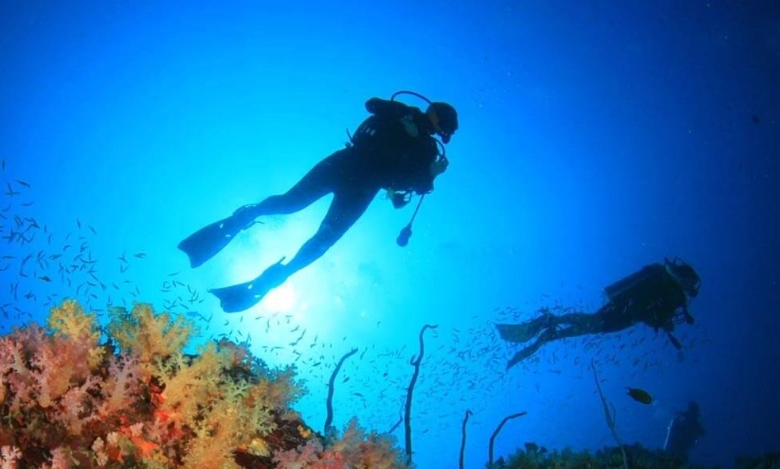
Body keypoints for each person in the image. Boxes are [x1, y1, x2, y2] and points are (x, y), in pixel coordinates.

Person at [178, 91, 458, 312]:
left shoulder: (428, 150)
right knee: (303, 214)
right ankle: (257, 243)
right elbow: (372, 105)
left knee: (307, 219)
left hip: (355, 175)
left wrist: (430, 174)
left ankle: (259, 248)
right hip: (354, 172)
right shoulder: (406, 117)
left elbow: (409, 187)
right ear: (441, 121)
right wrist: (400, 117)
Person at [496, 258, 702, 369]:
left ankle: (553, 331)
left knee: (592, 325)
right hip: (625, 312)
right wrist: (663, 322)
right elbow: (649, 310)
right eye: (690, 284)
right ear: (686, 279)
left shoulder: (666, 285)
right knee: (593, 324)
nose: (689, 289)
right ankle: (553, 325)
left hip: (623, 308)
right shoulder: (669, 290)